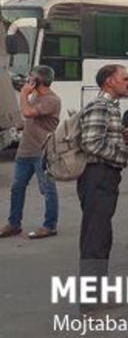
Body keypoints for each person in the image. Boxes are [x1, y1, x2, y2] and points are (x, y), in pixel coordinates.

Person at [77, 64, 128, 314]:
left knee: (102, 236)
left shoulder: (111, 107)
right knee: (95, 238)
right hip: (97, 176)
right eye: (125, 78)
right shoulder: (100, 106)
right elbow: (92, 143)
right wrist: (126, 153)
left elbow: (106, 136)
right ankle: (90, 303)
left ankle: (98, 294)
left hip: (105, 177)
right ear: (109, 82)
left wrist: (124, 137)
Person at [1, 65, 61, 240]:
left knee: (47, 189)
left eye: (31, 77)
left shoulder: (52, 100)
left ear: (37, 80)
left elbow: (28, 113)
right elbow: (30, 118)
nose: (28, 80)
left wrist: (23, 94)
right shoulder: (35, 96)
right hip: (25, 151)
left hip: (42, 152)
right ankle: (14, 224)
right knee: (17, 188)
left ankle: (49, 226)